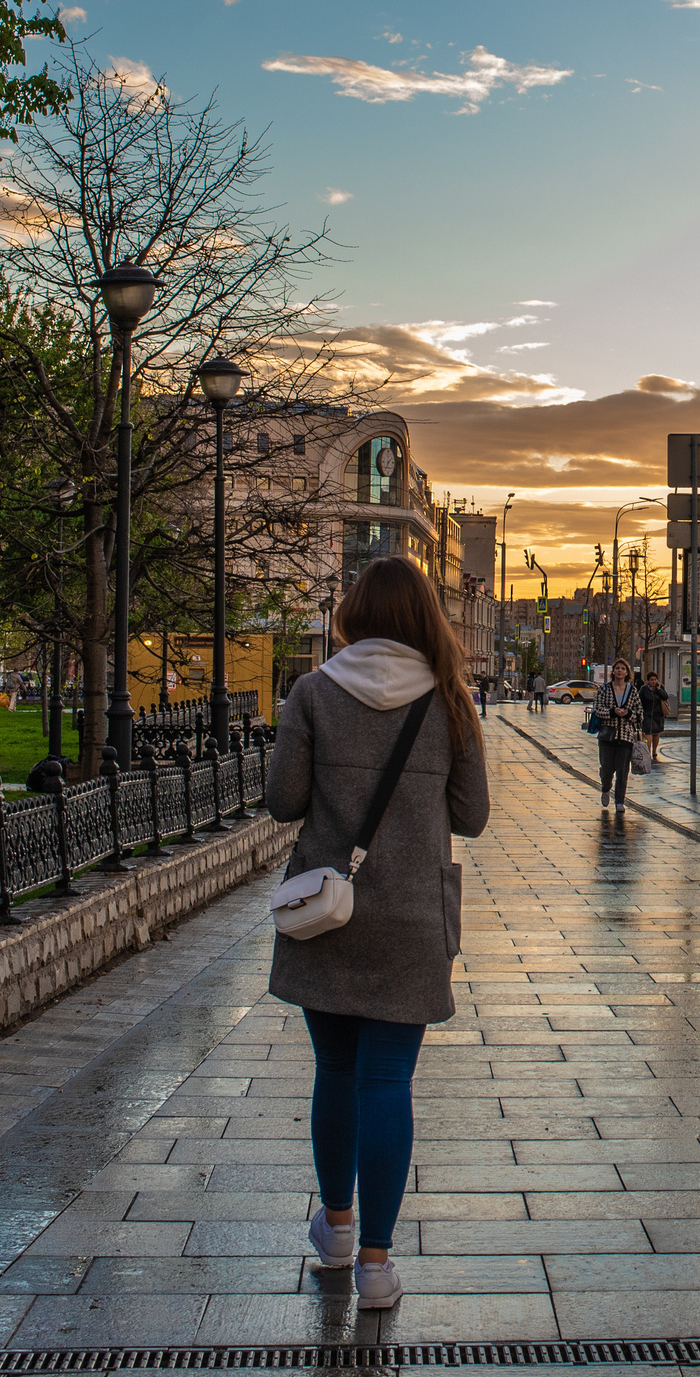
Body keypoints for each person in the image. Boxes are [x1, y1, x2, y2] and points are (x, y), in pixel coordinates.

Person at [265, 557, 491, 1309]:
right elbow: (473, 814)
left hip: (331, 915)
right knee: (388, 1080)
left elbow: (282, 799)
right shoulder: (451, 700)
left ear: (354, 613)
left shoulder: (313, 691)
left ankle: (334, 1229)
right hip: (411, 919)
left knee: (335, 1071)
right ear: (426, 616)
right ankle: (376, 1265)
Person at [593, 657, 645, 814]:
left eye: (623, 669)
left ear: (627, 672)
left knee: (622, 770)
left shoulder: (632, 691)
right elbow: (597, 709)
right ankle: (606, 787)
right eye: (617, 668)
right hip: (607, 735)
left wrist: (628, 713)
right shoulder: (604, 689)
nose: (620, 671)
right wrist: (611, 712)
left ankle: (620, 801)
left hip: (626, 736)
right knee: (607, 768)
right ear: (613, 672)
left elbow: (639, 713)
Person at [639, 670, 669, 770]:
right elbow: (639, 700)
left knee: (656, 733)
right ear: (648, 681)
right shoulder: (644, 689)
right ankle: (648, 750)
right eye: (652, 680)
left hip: (658, 715)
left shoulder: (660, 688)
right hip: (647, 715)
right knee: (648, 734)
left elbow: (665, 697)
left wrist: (659, 689)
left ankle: (654, 750)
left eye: (655, 679)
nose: (654, 681)